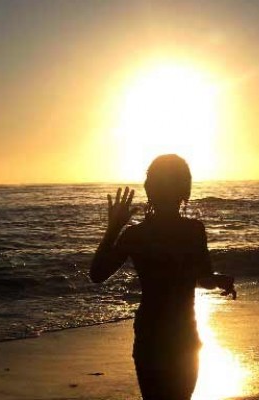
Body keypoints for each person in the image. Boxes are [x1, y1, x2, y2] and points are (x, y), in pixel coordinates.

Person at [90, 154, 236, 400]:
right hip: (182, 336)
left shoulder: (136, 235)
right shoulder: (192, 230)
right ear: (185, 191)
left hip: (152, 336)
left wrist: (113, 228)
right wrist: (218, 279)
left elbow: (97, 274)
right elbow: (203, 278)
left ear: (150, 189)